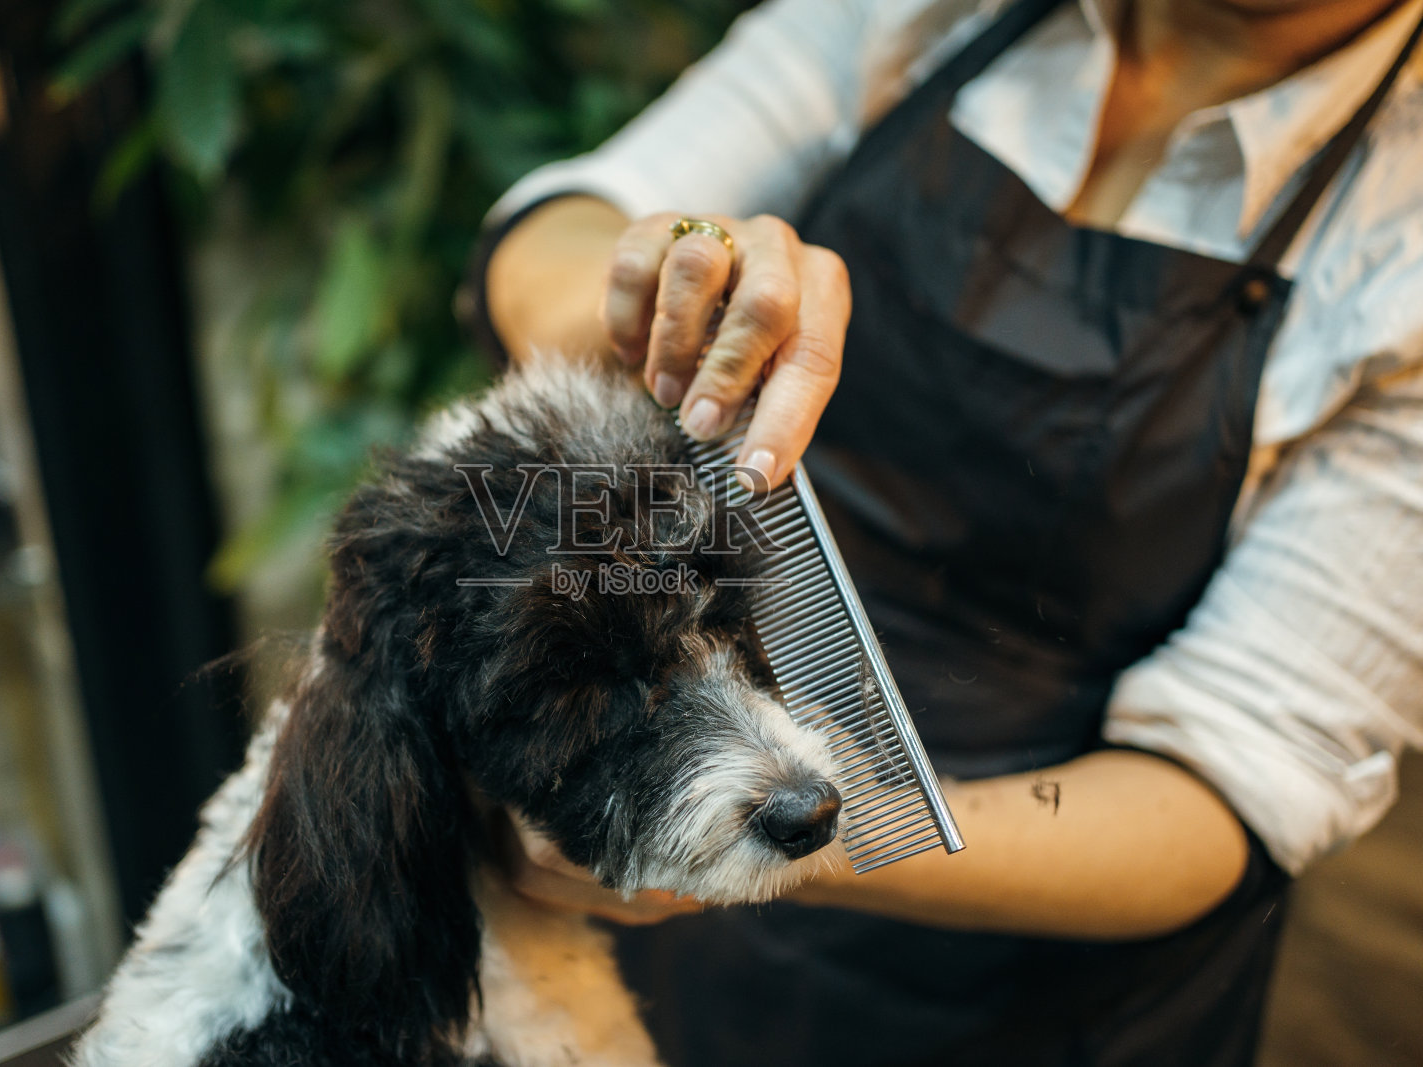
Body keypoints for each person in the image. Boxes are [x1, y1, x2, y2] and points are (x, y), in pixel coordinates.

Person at [470, 0, 1423, 1062]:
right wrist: (667, 281)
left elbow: (1230, 786)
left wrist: (796, 830)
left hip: (1021, 966)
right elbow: (560, 224)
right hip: (679, 845)